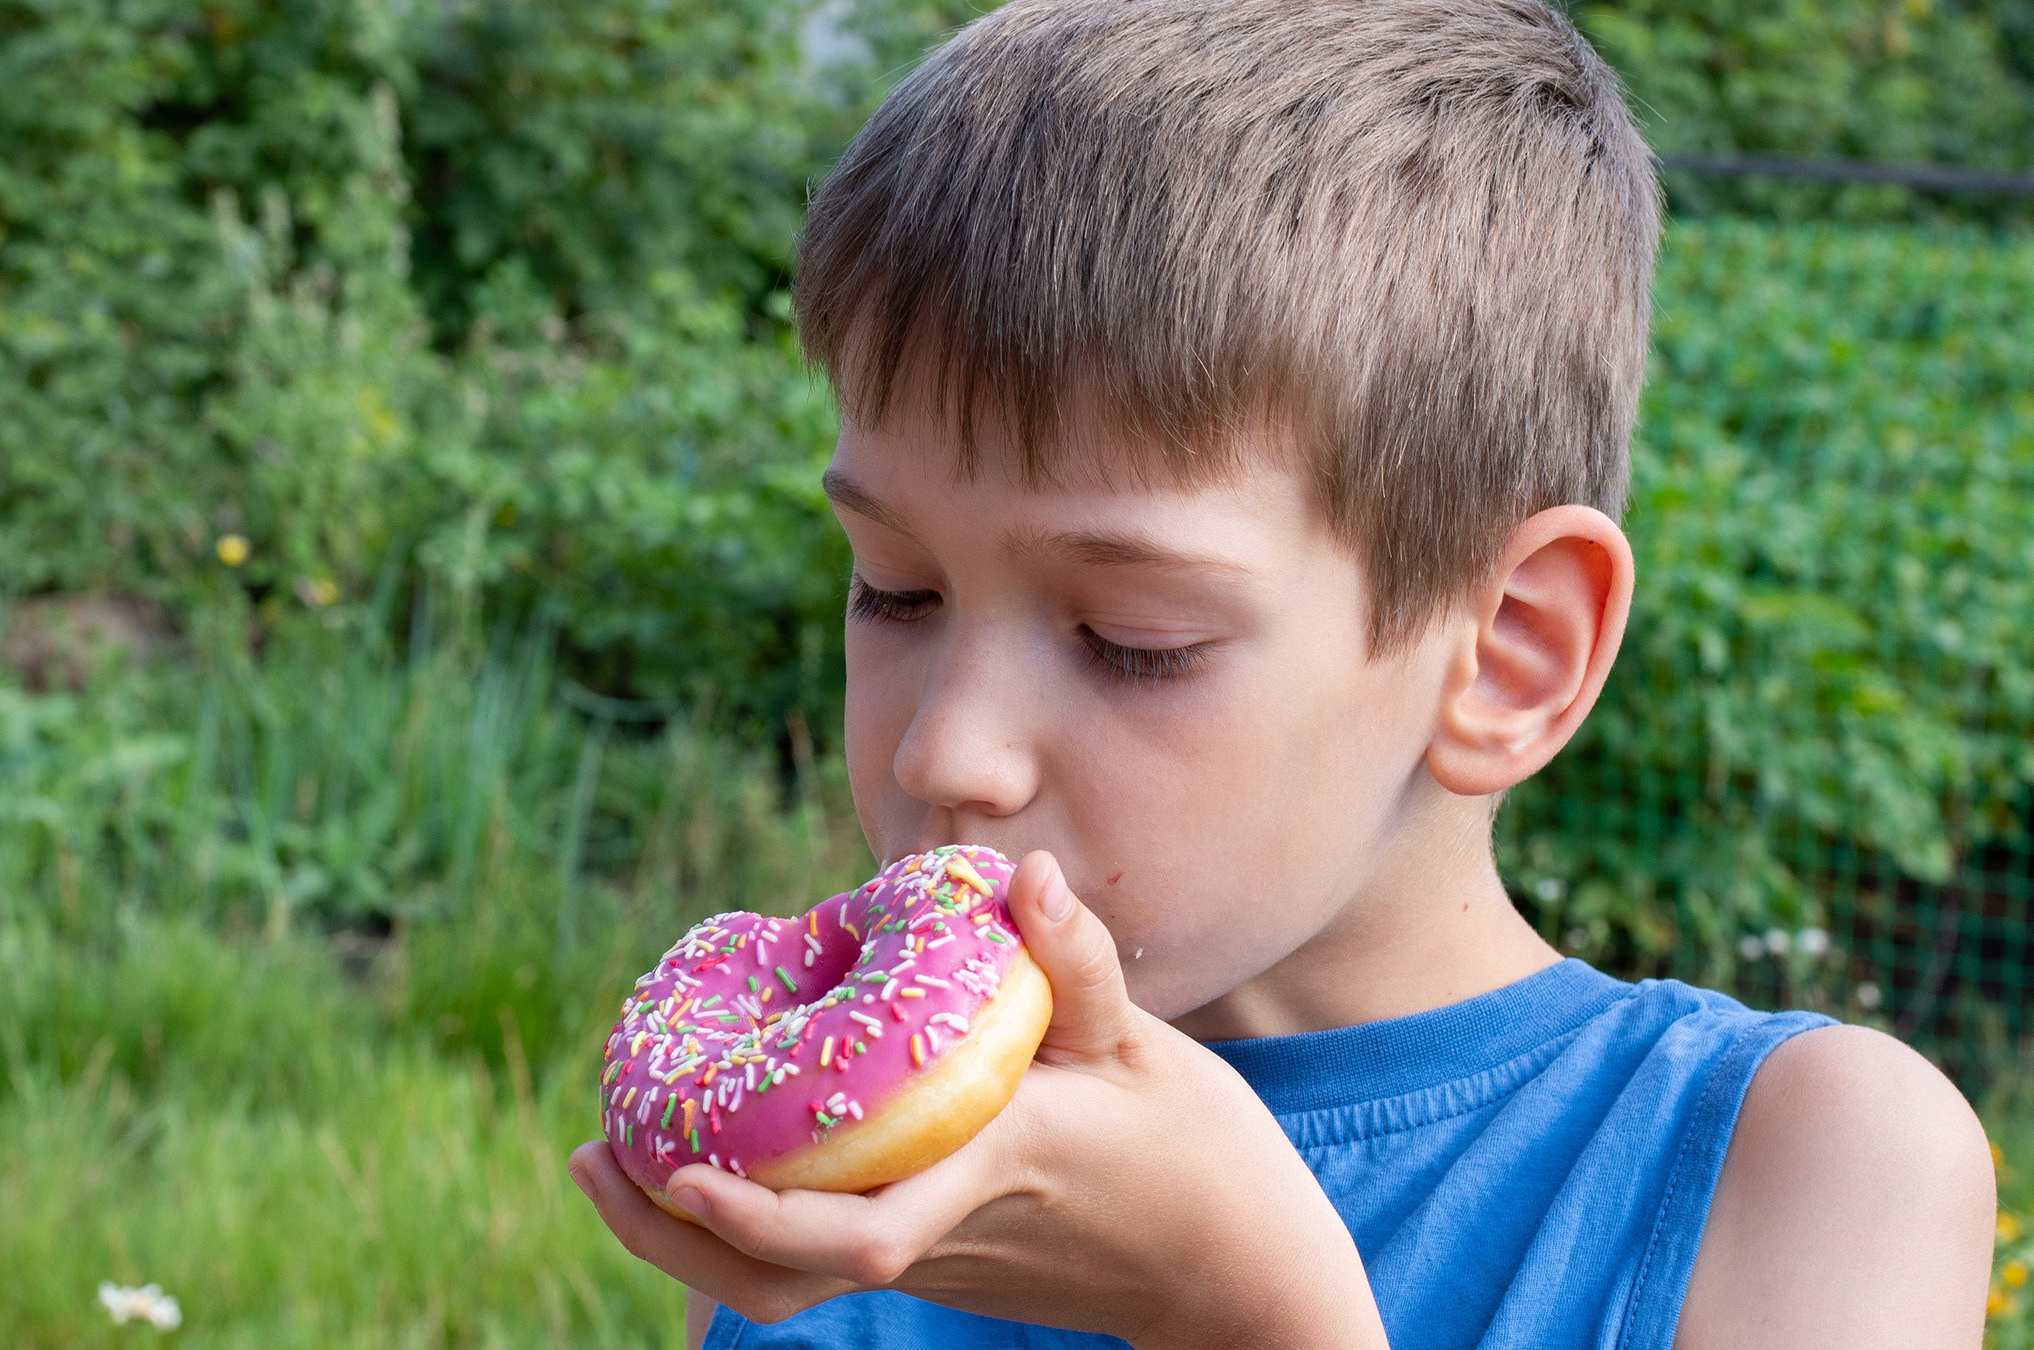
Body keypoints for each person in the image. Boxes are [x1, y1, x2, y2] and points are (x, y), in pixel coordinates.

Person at [566, 0, 1999, 1345]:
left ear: (1508, 653)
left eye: (1134, 639)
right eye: (896, 589)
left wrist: (1245, 1311)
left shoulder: (1809, 1163)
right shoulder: (856, 1199)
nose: (948, 752)